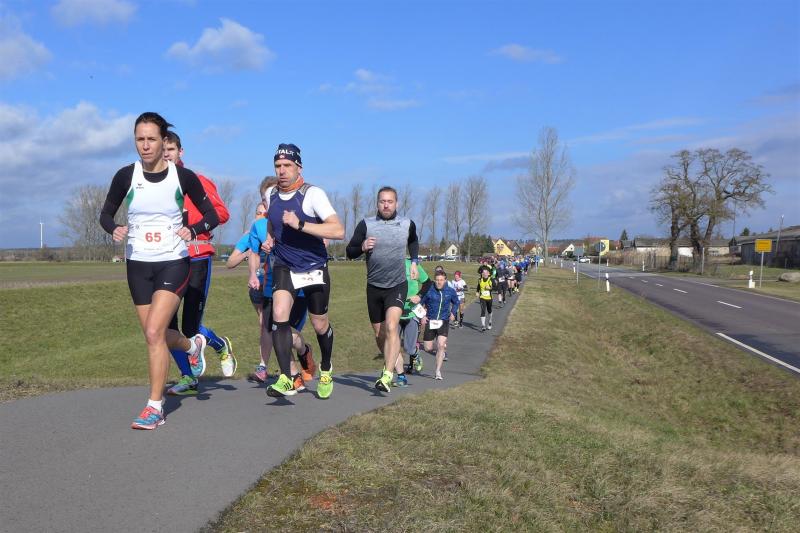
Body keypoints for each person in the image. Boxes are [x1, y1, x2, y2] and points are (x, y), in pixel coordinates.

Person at [99, 112, 219, 429]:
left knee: (154, 332)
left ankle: (155, 407)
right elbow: (105, 215)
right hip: (138, 264)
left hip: (173, 261)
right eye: (140, 139)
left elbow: (212, 215)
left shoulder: (183, 177)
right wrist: (114, 228)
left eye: (151, 139)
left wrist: (194, 230)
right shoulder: (126, 175)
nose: (145, 145)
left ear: (164, 141)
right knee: (156, 334)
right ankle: (193, 346)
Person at [259, 143, 344, 398]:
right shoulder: (271, 194)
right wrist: (270, 238)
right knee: (279, 316)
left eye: (287, 165)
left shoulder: (313, 194)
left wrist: (301, 224)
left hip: (313, 266)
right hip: (285, 265)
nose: (282, 170)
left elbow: (338, 230)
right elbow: (273, 223)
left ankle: (326, 368)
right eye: (278, 166)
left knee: (319, 324)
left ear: (299, 168)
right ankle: (286, 377)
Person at [161, 131, 236, 396]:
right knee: (166, 326)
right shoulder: (154, 186)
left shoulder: (197, 181)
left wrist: (194, 227)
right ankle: (188, 377)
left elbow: (222, 214)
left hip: (197, 257)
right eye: (162, 150)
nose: (166, 155)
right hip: (167, 260)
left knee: (191, 327)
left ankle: (220, 345)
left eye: (170, 149)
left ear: (180, 152)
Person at [346, 186, 419, 393]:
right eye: (382, 201)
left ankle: (387, 375)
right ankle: (397, 367)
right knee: (380, 335)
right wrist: (362, 247)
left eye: (390, 201)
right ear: (377, 203)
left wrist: (414, 261)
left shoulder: (406, 223)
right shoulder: (366, 224)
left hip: (397, 284)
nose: (386, 205)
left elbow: (413, 240)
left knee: (392, 327)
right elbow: (349, 251)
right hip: (374, 287)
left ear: (396, 203)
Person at [420, 271, 460, 380]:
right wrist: (422, 316)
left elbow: (456, 302)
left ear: (445, 280)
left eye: (441, 280)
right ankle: (439, 349)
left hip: (443, 321)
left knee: (441, 345)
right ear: (434, 280)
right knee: (428, 348)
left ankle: (438, 371)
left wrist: (453, 313)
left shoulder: (450, 291)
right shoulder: (429, 291)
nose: (439, 282)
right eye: (437, 280)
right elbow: (419, 303)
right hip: (430, 321)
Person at [399, 259, 431, 377]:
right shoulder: (389, 263)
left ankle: (415, 354)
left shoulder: (412, 264)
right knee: (392, 346)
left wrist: (419, 296)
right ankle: (398, 375)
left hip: (411, 312)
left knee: (409, 348)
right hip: (395, 312)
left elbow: (428, 283)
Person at [476, 267, 496, 332]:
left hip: (489, 298)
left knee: (489, 310)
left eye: (486, 273)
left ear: (488, 274)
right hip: (482, 297)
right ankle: (483, 325)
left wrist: (490, 288)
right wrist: (477, 292)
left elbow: (495, 287)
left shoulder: (491, 279)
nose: (484, 274)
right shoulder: (480, 279)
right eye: (483, 273)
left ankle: (490, 321)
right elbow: (478, 286)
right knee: (483, 310)